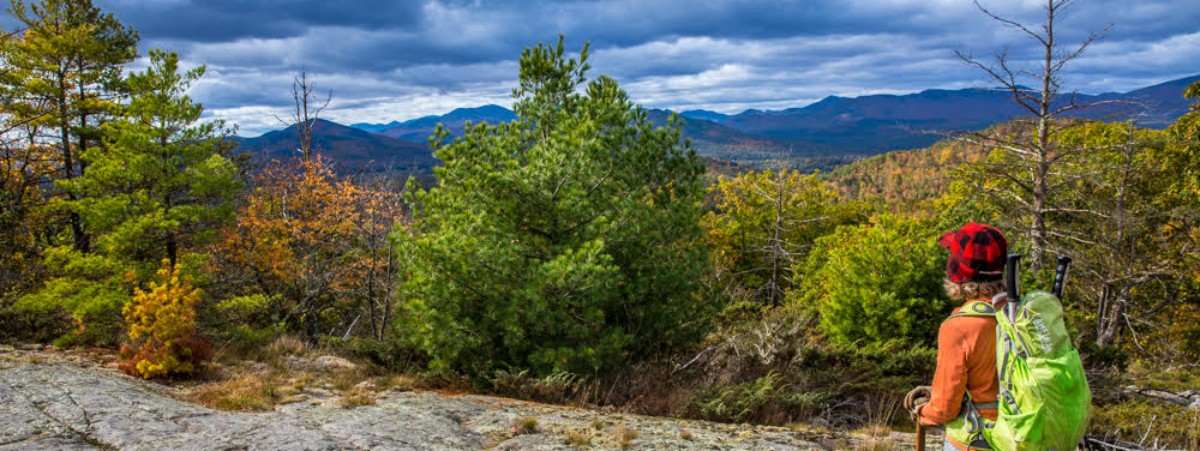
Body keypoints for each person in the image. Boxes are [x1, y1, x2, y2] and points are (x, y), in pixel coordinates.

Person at [915, 222, 1008, 450]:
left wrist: (921, 412)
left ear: (958, 271)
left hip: (979, 440)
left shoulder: (959, 327)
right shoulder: (1023, 315)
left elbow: (944, 408)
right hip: (1027, 435)